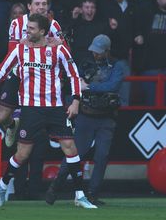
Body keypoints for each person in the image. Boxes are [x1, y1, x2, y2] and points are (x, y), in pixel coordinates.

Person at [0, 13, 96, 209]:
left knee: (70, 147)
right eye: (27, 27)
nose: (27, 31)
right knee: (22, 154)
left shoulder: (58, 50)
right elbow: (3, 68)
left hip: (55, 108)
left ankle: (80, 195)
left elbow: (74, 75)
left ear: (43, 31)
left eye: (32, 28)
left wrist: (76, 101)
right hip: (30, 109)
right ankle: (2, 185)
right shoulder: (20, 49)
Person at [47, 34, 128, 206]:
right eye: (94, 51)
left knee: (102, 156)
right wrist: (85, 86)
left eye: (99, 52)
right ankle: (55, 187)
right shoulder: (85, 63)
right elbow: (75, 82)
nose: (96, 55)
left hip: (106, 118)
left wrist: (89, 87)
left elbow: (113, 86)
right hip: (86, 115)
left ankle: (92, 193)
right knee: (75, 154)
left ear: (107, 51)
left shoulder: (118, 65)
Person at [0, 0, 66, 147]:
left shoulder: (54, 25)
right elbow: (13, 54)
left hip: (43, 77)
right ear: (29, 6)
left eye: (44, 4)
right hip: (20, 73)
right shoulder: (16, 24)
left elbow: (65, 52)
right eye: (37, 4)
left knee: (34, 132)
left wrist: (59, 42)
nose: (41, 7)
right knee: (0, 118)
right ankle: (13, 125)